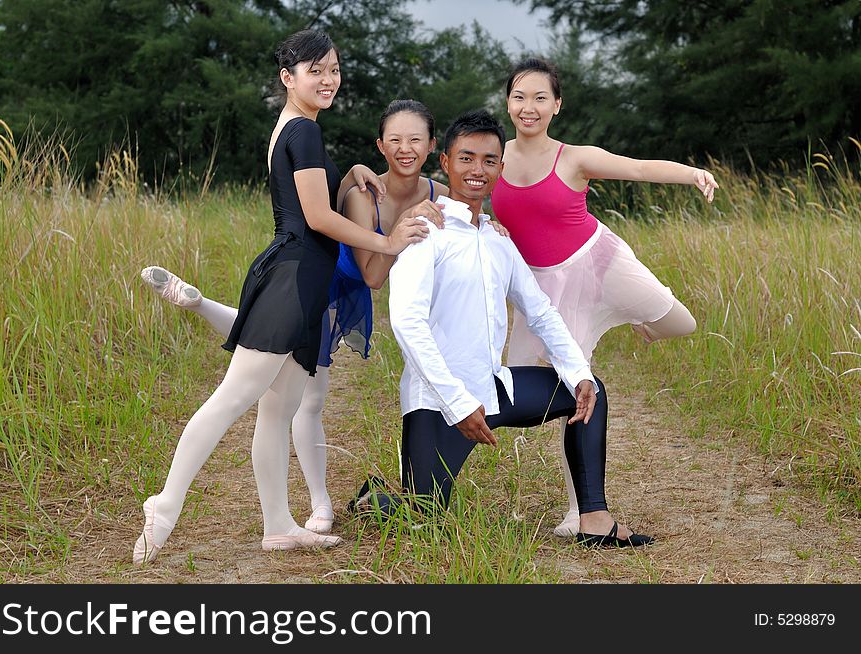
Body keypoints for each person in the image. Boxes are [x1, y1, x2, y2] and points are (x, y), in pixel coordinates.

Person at [132, 30, 429, 564]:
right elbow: (316, 218)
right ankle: (166, 501)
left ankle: (278, 525)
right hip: (293, 277)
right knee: (235, 396)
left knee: (278, 408)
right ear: (287, 78)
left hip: (302, 278)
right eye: (315, 70)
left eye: (334, 69)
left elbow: (312, 198)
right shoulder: (304, 132)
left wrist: (354, 172)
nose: (328, 79)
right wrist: (387, 240)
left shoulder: (299, 129)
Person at [354, 109, 652, 548]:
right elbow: (407, 323)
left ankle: (594, 518)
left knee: (589, 391)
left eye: (489, 160)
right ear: (446, 164)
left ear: (501, 168)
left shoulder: (498, 240)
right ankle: (373, 500)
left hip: (493, 388)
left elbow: (541, 311)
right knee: (425, 521)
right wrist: (457, 404)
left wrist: (578, 371)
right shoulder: (423, 232)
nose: (478, 170)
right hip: (437, 402)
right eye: (467, 158)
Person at [489, 58, 719, 538]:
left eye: (539, 98)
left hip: (596, 263)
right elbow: (452, 185)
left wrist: (692, 173)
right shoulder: (495, 156)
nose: (528, 107)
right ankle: (581, 513)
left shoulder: (574, 158)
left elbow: (636, 167)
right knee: (568, 393)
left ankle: (629, 318)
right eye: (518, 96)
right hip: (540, 290)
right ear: (507, 102)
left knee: (682, 323)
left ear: (557, 105)